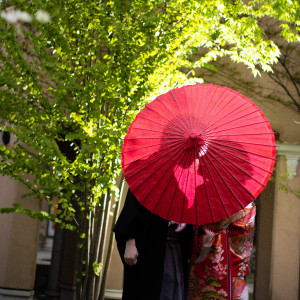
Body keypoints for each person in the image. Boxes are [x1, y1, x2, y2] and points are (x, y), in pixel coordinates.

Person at [114, 189, 192, 300]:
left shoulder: (189, 181)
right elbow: (132, 206)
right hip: (149, 244)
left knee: (173, 289)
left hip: (176, 247)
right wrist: (129, 240)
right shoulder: (152, 175)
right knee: (146, 290)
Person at [188, 202, 256, 300]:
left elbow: (218, 225)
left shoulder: (234, 206)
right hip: (236, 267)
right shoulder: (245, 203)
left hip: (230, 266)